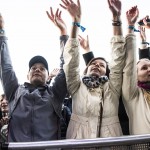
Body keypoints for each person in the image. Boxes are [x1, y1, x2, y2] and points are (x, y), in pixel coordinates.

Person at [60, 0, 126, 139]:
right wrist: (76, 21)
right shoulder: (76, 86)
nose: (97, 65)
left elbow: (118, 58)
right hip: (78, 142)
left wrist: (116, 18)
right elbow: (71, 61)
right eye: (93, 63)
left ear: (107, 72)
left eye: (102, 65)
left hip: (111, 144)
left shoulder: (113, 87)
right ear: (86, 70)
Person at [0, 10, 68, 142]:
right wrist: (2, 32)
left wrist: (63, 33)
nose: (37, 70)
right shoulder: (14, 91)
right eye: (33, 68)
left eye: (42, 69)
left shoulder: (55, 93)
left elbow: (66, 66)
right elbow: (5, 66)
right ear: (27, 74)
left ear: (49, 75)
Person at [121, 6, 150, 135]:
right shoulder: (133, 95)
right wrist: (130, 27)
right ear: (135, 75)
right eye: (144, 68)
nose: (149, 69)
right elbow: (130, 62)